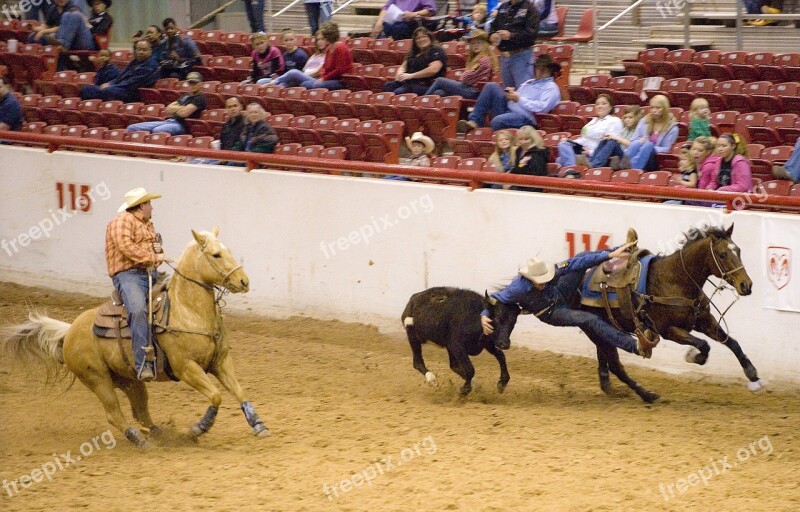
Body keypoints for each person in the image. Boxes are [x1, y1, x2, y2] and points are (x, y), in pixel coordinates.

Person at [481, 239, 652, 358]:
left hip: (559, 292)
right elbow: (496, 298)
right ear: (530, 279)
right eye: (539, 282)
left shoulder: (551, 271)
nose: (542, 284)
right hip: (551, 312)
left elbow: (573, 264)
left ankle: (620, 249)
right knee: (589, 319)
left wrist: (609, 255)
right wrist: (484, 314)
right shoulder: (517, 289)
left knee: (581, 256)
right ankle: (636, 347)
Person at [105, 187, 172, 381]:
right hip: (128, 275)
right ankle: (143, 363)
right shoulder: (121, 221)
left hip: (149, 272)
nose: (152, 207)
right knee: (137, 309)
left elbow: (153, 253)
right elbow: (126, 248)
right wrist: (154, 255)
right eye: (149, 203)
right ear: (142, 205)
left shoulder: (148, 225)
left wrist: (157, 255)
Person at [457, 54, 561, 132]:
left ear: (550, 71)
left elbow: (542, 108)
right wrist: (511, 94)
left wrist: (518, 99)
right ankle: (474, 122)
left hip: (526, 118)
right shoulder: (529, 82)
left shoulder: (551, 87)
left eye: (544, 69)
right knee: (491, 86)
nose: (540, 71)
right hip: (509, 109)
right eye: (538, 68)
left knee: (497, 121)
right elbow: (517, 98)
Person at [605, 94, 679, 172]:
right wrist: (640, 142)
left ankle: (632, 166)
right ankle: (624, 162)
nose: (654, 110)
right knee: (637, 143)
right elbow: (633, 141)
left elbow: (666, 149)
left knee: (648, 145)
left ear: (665, 109)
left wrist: (649, 145)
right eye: (652, 107)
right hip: (637, 153)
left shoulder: (672, 128)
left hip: (655, 159)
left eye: (658, 108)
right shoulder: (644, 121)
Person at [272, 22, 352, 90]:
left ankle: (274, 82)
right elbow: (325, 66)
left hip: (339, 80)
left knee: (306, 80)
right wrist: (322, 77)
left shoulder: (341, 48)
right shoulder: (328, 49)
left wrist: (324, 78)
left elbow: (339, 70)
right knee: (305, 84)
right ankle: (274, 84)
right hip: (326, 78)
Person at [126, 71, 207, 135]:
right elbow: (168, 109)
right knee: (131, 128)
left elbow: (183, 114)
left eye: (195, 83)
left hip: (182, 125)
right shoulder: (185, 95)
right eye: (190, 83)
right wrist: (183, 107)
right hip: (169, 121)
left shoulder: (199, 98)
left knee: (157, 131)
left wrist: (178, 108)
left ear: (200, 83)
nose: (192, 85)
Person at [80, 39, 159, 102]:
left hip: (133, 92)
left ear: (150, 51)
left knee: (107, 91)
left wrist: (112, 85)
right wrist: (110, 83)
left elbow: (133, 83)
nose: (141, 52)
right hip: (120, 88)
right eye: (139, 49)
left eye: (144, 50)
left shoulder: (151, 65)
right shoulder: (135, 61)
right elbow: (121, 76)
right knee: (86, 89)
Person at [556, 94, 623, 168]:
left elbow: (610, 144)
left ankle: (572, 169)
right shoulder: (593, 120)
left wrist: (590, 152)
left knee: (561, 160)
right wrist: (570, 141)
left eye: (604, 103)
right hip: (582, 150)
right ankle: (573, 168)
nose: (600, 106)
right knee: (563, 144)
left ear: (611, 106)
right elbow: (584, 138)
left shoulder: (614, 121)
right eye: (597, 104)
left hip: (594, 154)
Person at [424, 29, 496, 98]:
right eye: (473, 43)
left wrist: (463, 76)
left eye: (478, 42)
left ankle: (421, 100)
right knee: (439, 92)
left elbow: (467, 78)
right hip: (469, 88)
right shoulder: (476, 58)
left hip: (474, 91)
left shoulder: (484, 59)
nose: (475, 45)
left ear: (485, 44)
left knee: (439, 80)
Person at [490, 0, 539, 88]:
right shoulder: (503, 7)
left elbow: (532, 34)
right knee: (509, 94)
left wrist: (511, 36)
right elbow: (493, 26)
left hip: (521, 56)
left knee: (523, 92)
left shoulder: (530, 8)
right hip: (504, 57)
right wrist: (492, 35)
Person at [383, 27, 446, 95]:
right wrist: (400, 75)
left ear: (430, 37)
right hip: (409, 81)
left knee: (399, 92)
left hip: (425, 84)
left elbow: (433, 70)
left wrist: (412, 75)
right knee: (387, 86)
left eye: (424, 37)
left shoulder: (436, 50)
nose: (421, 40)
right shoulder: (413, 52)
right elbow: (403, 66)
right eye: (418, 38)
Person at [190, 96, 247, 165]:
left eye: (235, 106)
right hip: (223, 155)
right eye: (229, 107)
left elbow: (242, 146)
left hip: (236, 158)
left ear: (241, 107)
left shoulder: (246, 124)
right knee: (194, 161)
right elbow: (223, 144)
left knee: (206, 165)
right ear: (226, 109)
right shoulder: (226, 125)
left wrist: (226, 157)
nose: (233, 109)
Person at [29, 0, 95, 51]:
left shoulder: (73, 7)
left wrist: (44, 32)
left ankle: (63, 45)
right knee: (32, 36)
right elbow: (47, 26)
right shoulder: (53, 9)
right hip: (65, 41)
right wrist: (33, 28)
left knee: (73, 15)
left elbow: (66, 27)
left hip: (82, 39)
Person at [371, 0, 437, 40]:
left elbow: (430, 10)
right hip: (396, 20)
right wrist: (379, 23)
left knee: (399, 28)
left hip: (412, 22)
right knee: (377, 27)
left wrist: (413, 14)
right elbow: (385, 8)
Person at [510, 125, 549, 191]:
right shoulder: (519, 150)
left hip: (532, 187)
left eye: (526, 139)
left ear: (533, 139)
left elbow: (536, 176)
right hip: (519, 183)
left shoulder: (538, 154)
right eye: (521, 139)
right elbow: (517, 168)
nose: (523, 142)